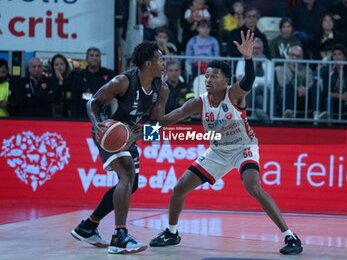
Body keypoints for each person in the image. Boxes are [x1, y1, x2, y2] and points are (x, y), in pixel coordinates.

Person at [149, 30, 303, 255]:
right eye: (207, 76)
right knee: (179, 188)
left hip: (244, 147)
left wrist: (248, 59)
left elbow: (248, 80)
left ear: (226, 80)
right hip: (218, 151)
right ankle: (172, 232)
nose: (208, 80)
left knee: (252, 186)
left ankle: (290, 237)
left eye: (214, 76)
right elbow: (166, 121)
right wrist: (143, 134)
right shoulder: (199, 102)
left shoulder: (234, 94)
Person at [70, 41, 169, 254]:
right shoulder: (123, 82)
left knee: (131, 185)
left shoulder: (162, 89)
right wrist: (97, 125)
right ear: (148, 63)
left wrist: (138, 135)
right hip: (108, 132)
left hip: (129, 135)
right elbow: (93, 103)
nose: (164, 63)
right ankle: (119, 236)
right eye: (160, 59)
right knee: (126, 174)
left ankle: (88, 226)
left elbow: (157, 126)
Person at [71, 47, 115, 119]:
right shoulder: (79, 76)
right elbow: (74, 100)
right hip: (83, 117)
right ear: (87, 58)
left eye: (97, 56)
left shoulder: (109, 74)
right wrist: (74, 118)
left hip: (103, 117)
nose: (94, 58)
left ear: (100, 58)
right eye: (91, 55)